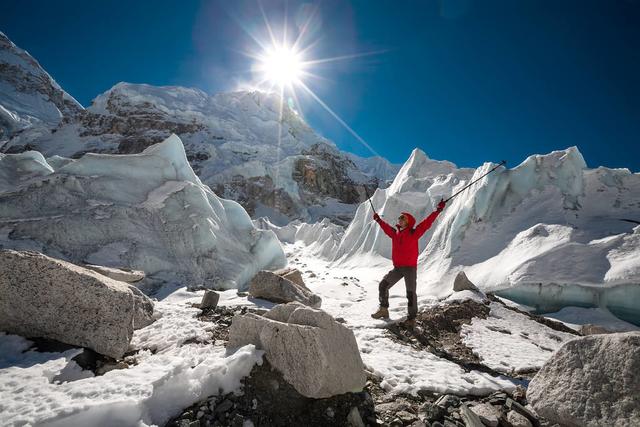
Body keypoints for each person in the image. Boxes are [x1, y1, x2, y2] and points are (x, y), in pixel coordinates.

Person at [370, 199, 446, 326]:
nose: (399, 219)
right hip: (398, 268)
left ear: (408, 221)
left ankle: (411, 318)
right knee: (383, 285)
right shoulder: (395, 234)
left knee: (410, 293)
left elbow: (427, 222)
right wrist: (378, 220)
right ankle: (383, 309)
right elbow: (386, 227)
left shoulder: (414, 232)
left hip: (410, 268)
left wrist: (438, 210)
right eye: (399, 217)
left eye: (402, 218)